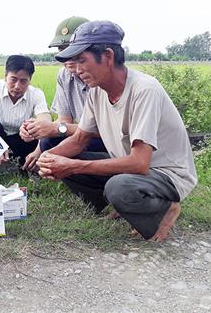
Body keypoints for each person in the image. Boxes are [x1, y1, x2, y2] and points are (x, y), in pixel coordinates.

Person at [37, 20, 197, 241]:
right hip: (130, 167)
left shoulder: (144, 90)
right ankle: (120, 206)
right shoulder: (97, 91)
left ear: (109, 56)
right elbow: (80, 139)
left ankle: (166, 207)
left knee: (118, 186)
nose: (78, 70)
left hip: (164, 172)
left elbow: (140, 163)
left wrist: (73, 166)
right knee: (62, 152)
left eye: (82, 61)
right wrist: (49, 158)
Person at [21, 17, 106, 171]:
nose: (68, 57)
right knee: (48, 141)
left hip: (105, 140)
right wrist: (39, 147)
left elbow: (108, 131)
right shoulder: (64, 75)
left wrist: (55, 129)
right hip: (82, 136)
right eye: (62, 50)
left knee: (57, 142)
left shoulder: (101, 76)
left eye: (72, 48)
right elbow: (63, 121)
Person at [0, 55, 51, 166]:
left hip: (20, 139)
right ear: (5, 77)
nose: (17, 86)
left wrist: (37, 151)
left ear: (30, 80)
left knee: (35, 126)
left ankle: (26, 164)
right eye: (13, 79)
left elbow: (46, 121)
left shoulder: (36, 94)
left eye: (23, 81)